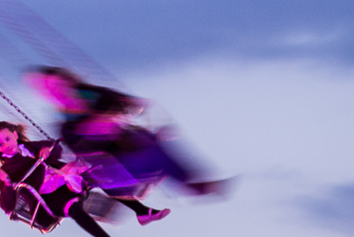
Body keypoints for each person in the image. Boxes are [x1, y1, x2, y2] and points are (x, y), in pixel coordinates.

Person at [26, 66, 225, 198]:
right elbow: (85, 152)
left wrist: (119, 111)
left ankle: (191, 181)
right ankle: (171, 182)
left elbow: (134, 105)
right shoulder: (65, 126)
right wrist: (97, 128)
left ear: (69, 83)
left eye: (58, 85)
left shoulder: (96, 96)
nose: (56, 93)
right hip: (115, 166)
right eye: (48, 91)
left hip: (133, 146)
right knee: (148, 153)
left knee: (152, 145)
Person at [0, 121, 138, 237]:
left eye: (7, 139)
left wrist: (46, 150)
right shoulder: (7, 169)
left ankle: (139, 204)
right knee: (73, 208)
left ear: (15, 135)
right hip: (46, 201)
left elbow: (56, 150)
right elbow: (7, 206)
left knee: (96, 173)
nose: (5, 145)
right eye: (0, 144)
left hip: (63, 183)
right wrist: (7, 183)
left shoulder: (32, 147)